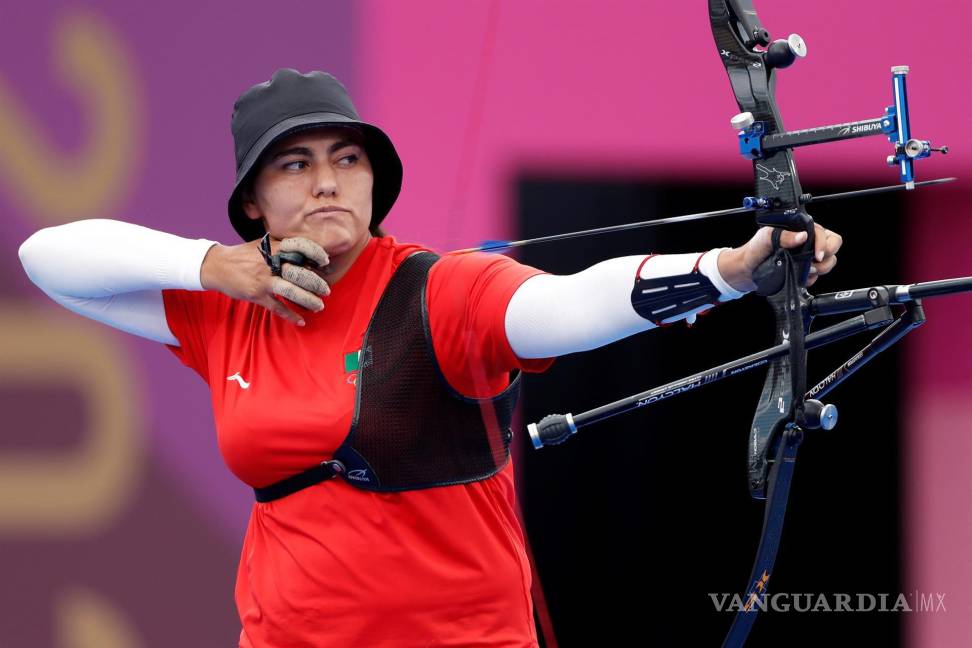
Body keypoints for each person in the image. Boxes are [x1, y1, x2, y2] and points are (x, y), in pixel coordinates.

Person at [17, 69, 842, 647]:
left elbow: (566, 305)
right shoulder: (229, 313)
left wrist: (728, 273)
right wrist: (212, 266)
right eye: (294, 164)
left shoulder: (439, 292)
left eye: (348, 159)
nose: (328, 182)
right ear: (252, 203)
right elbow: (47, 258)